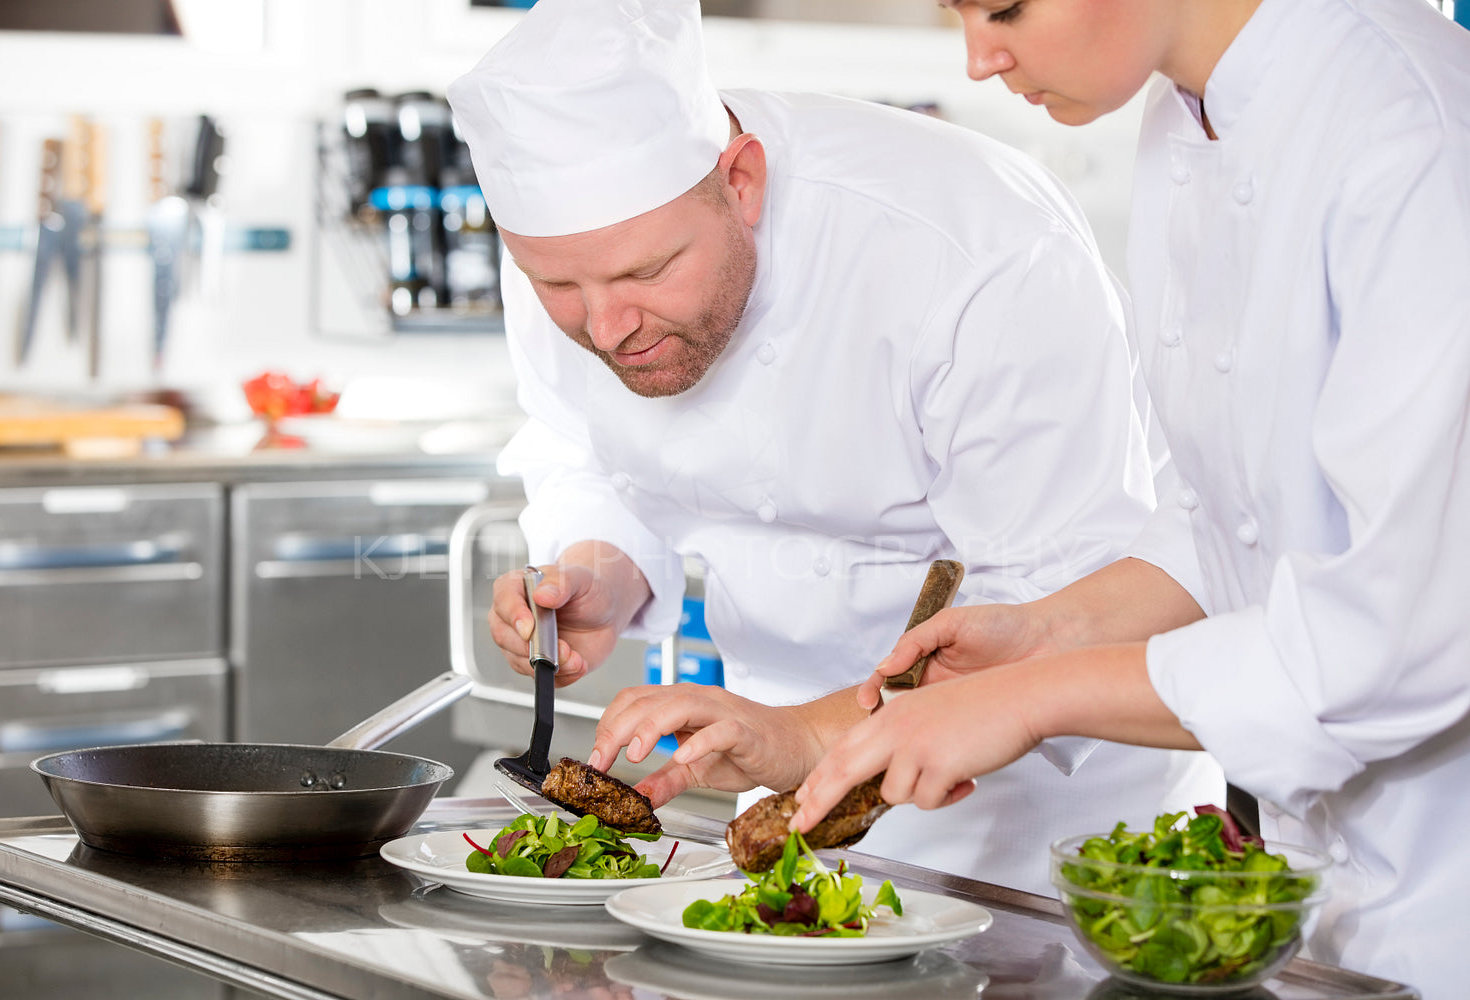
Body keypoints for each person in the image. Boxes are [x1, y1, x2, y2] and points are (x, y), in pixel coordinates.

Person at [447, 0, 1222, 895]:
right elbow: (582, 448)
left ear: (742, 179)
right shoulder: (574, 248)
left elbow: (1052, 607)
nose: (608, 325)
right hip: (769, 795)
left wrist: (805, 735)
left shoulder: (973, 249)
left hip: (1039, 832)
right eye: (558, 286)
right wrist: (601, 571)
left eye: (648, 273)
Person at [783, 0, 1470, 993]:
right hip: (1330, 906)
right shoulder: (1180, 117)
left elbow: (1403, 626)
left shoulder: (1414, 128)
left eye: (1005, 7)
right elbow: (1236, 511)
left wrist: (1033, 699)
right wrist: (1051, 633)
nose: (980, 58)